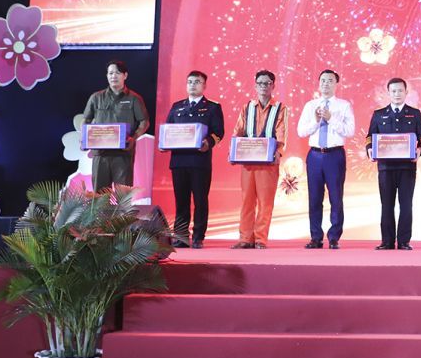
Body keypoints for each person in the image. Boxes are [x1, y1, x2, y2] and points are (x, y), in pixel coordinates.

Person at [164, 71, 225, 249]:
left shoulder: (213, 107)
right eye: (190, 82)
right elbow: (168, 129)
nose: (192, 85)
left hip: (200, 161)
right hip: (179, 161)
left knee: (200, 200)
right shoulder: (177, 106)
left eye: (197, 82)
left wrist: (208, 142)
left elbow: (218, 132)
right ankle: (181, 236)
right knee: (181, 201)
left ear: (204, 86)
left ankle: (198, 236)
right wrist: (164, 143)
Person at [295, 69, 355, 249]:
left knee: (336, 197)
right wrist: (315, 121)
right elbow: (301, 132)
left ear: (336, 84)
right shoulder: (310, 105)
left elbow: (350, 131)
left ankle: (334, 237)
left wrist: (331, 119)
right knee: (314, 198)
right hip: (314, 155)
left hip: (334, 155)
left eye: (330, 80)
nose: (326, 84)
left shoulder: (344, 106)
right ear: (319, 83)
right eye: (323, 80)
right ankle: (316, 237)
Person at [366, 77, 421, 250]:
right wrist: (370, 149)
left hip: (407, 167)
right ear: (388, 93)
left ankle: (404, 241)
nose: (397, 94)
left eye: (400, 90)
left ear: (406, 92)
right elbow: (370, 137)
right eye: (393, 91)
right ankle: (387, 241)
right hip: (386, 167)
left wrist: (420, 149)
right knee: (387, 205)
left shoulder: (415, 113)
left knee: (406, 204)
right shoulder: (379, 114)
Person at [232, 70, 287, 250]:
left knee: (265, 202)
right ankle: (245, 238)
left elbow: (281, 132)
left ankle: (260, 239)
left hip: (268, 163)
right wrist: (233, 153)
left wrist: (278, 152)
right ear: (255, 86)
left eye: (267, 83)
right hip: (248, 162)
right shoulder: (247, 107)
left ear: (273, 86)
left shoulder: (280, 108)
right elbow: (238, 131)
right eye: (260, 83)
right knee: (246, 201)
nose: (264, 86)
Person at [81, 60, 149, 192]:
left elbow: (144, 121)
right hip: (101, 154)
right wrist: (84, 139)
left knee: (122, 195)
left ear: (125, 75)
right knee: (100, 196)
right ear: (107, 76)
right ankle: (101, 208)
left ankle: (121, 208)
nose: (113, 76)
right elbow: (86, 119)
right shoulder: (96, 97)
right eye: (110, 73)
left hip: (123, 154)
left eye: (117, 73)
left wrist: (133, 138)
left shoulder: (134, 98)